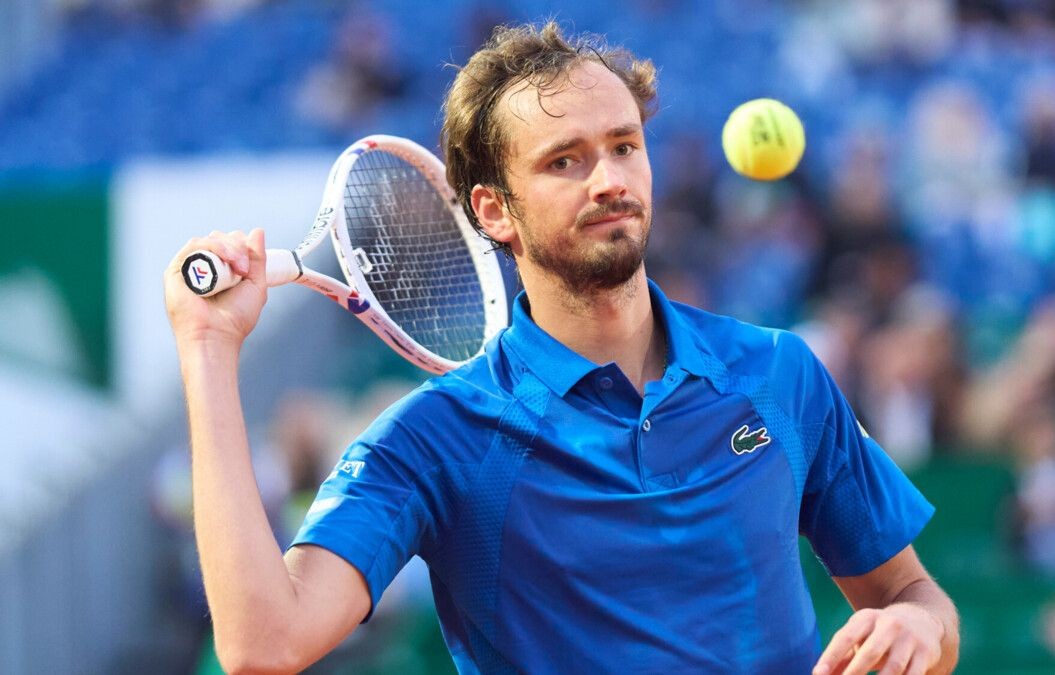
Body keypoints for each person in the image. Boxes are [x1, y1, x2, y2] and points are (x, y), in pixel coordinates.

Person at [164, 22, 959, 675]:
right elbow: (263, 644)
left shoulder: (780, 373)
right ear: (493, 210)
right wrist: (206, 349)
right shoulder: (434, 439)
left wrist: (918, 628)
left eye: (623, 146)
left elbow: (914, 595)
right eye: (564, 161)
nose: (608, 179)